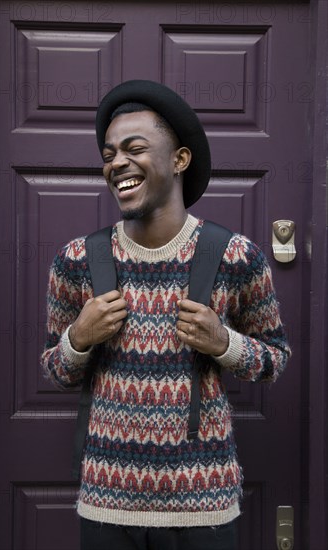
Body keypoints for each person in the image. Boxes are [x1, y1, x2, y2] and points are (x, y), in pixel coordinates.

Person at [41, 80, 291, 550]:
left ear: (179, 160)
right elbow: (55, 369)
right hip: (106, 504)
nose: (117, 163)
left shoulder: (235, 257)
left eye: (134, 148)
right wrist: (78, 337)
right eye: (109, 154)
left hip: (203, 507)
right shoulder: (77, 259)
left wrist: (226, 343)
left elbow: (275, 360)